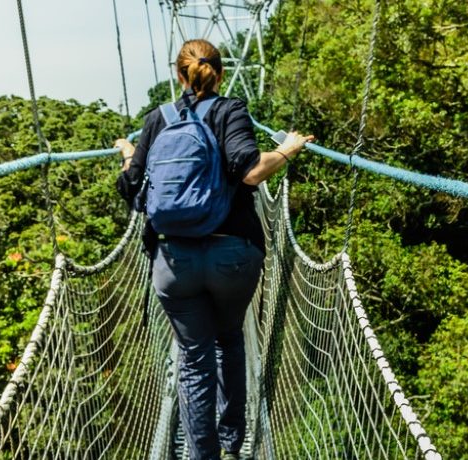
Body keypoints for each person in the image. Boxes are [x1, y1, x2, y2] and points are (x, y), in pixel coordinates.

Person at [115, 39, 313, 460]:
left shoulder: (157, 119)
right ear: (219, 74)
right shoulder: (230, 111)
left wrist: (130, 156)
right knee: (229, 339)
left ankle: (200, 455)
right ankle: (232, 443)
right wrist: (287, 150)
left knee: (192, 357)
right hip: (233, 257)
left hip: (174, 261)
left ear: (178, 75)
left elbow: (132, 188)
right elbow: (251, 171)